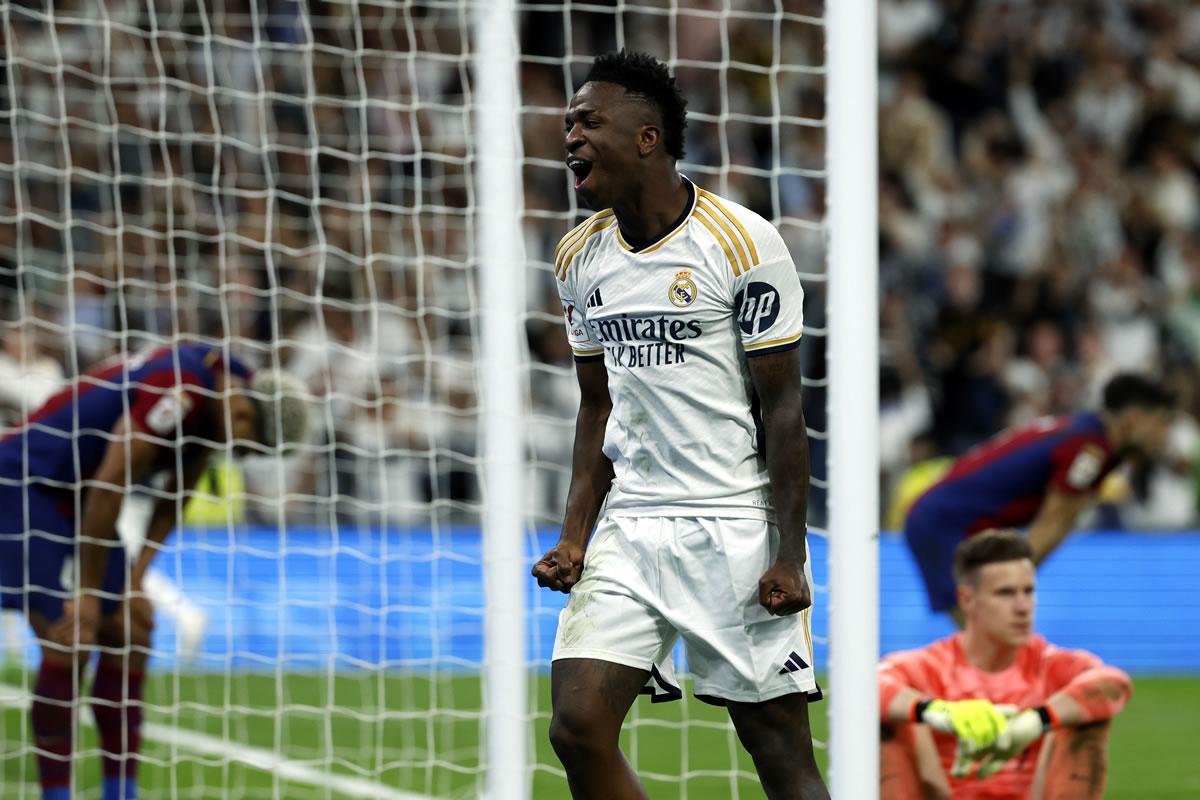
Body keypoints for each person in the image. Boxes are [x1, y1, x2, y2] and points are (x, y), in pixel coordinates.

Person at [531, 50, 828, 800]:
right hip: (632, 526)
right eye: (568, 121)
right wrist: (575, 535)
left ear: (647, 138)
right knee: (576, 726)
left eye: (588, 120)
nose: (570, 134)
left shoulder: (742, 243)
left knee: (777, 749)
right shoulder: (578, 257)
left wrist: (790, 554)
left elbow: (784, 410)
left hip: (733, 523)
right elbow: (596, 407)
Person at [0, 343, 309, 800]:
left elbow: (177, 492)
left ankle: (121, 791)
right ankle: (56, 794)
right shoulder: (180, 391)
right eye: (245, 447)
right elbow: (113, 480)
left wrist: (136, 580)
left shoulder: (223, 388)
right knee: (71, 633)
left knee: (133, 629)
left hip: (79, 494)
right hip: (27, 481)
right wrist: (87, 593)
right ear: (244, 417)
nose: (236, 454)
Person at [878, 529, 1132, 799]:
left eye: (1029, 591)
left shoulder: (1053, 664)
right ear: (967, 599)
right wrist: (936, 712)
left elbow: (1114, 682)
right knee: (883, 719)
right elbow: (866, 686)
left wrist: (1038, 720)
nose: (1023, 607)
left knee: (1089, 714)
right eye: (1006, 593)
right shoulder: (928, 666)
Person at [904, 373, 1171, 621]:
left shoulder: (1084, 434)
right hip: (946, 524)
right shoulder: (1089, 449)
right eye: (1161, 422)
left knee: (991, 637)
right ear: (1133, 419)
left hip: (945, 517)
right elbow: (1052, 525)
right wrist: (1012, 588)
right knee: (993, 635)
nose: (1165, 435)